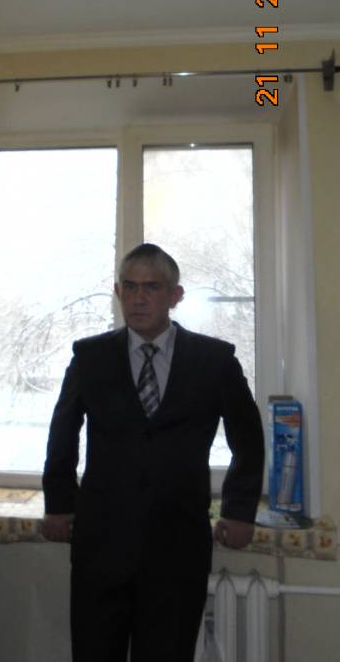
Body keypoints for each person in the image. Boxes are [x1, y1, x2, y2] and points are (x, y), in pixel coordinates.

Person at [42, 243, 264, 662]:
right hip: (101, 543)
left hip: (177, 545)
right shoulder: (90, 357)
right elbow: (63, 433)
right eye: (130, 287)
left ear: (175, 296)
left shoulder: (214, 360)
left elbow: (248, 440)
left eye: (152, 287)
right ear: (118, 292)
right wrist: (58, 503)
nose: (139, 298)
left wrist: (239, 510)